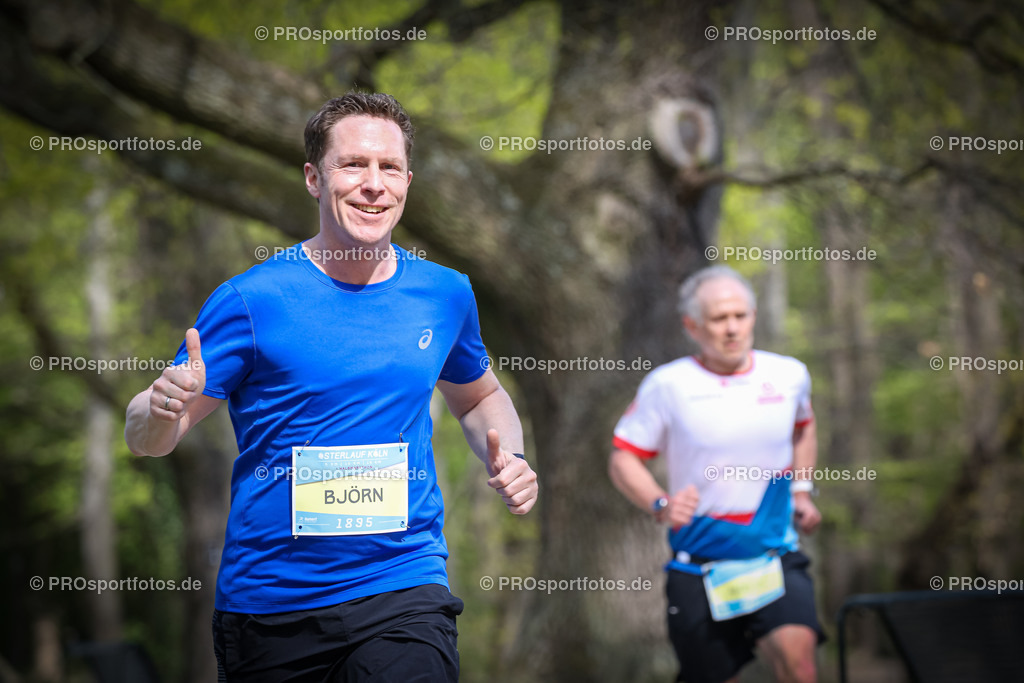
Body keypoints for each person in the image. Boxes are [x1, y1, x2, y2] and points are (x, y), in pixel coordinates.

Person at [124, 92, 538, 682]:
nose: (374, 184)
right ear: (314, 178)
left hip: (403, 584)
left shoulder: (445, 293)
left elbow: (478, 396)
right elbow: (148, 438)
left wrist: (511, 454)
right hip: (273, 605)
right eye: (353, 165)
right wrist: (160, 408)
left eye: (389, 167)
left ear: (407, 182)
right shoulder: (253, 300)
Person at [608, 265, 823, 683]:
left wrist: (801, 491)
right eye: (718, 318)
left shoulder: (788, 375)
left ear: (754, 316)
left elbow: (804, 427)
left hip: (772, 553)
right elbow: (623, 457)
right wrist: (661, 503)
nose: (732, 329)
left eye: (740, 316)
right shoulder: (668, 385)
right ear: (692, 325)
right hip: (700, 563)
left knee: (800, 665)